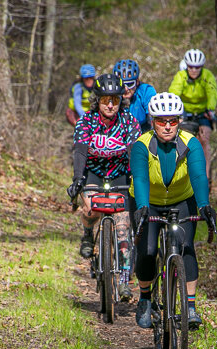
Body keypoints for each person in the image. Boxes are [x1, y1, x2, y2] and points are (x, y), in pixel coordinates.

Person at [129, 92, 217, 330]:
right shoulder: (141, 145)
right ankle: (146, 299)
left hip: (181, 199)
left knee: (186, 247)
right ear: (152, 121)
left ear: (179, 121)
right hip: (149, 201)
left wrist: (204, 205)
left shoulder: (190, 143)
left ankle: (190, 307)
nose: (167, 126)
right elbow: (140, 178)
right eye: (161, 121)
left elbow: (199, 175)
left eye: (173, 121)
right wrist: (143, 207)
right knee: (147, 251)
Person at [67, 73, 141, 301]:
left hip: (119, 174)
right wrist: (78, 178)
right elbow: (80, 150)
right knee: (91, 208)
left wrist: (137, 178)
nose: (110, 105)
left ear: (121, 101)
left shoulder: (129, 121)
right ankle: (88, 235)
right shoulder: (86, 121)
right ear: (97, 100)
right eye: (106, 99)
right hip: (94, 173)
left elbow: (134, 152)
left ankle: (123, 281)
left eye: (115, 100)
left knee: (123, 226)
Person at [168, 49, 217, 184]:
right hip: (185, 111)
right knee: (180, 139)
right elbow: (174, 92)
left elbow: (212, 93)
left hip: (203, 112)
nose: (194, 70)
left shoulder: (207, 76)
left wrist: (210, 109)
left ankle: (205, 177)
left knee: (204, 138)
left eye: (197, 67)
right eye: (191, 67)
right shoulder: (181, 76)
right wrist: (175, 111)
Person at [112, 59, 157, 133]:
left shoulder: (146, 91)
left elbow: (152, 118)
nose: (126, 89)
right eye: (122, 85)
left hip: (143, 131)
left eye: (130, 84)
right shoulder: (112, 94)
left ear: (137, 81)